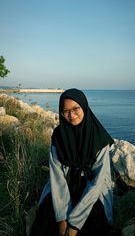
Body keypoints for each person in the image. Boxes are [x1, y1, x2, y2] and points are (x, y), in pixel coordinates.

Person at [30, 88, 114, 236]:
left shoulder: (99, 138)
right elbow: (57, 176)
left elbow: (98, 182)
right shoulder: (58, 136)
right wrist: (62, 218)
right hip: (65, 183)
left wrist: (75, 224)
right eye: (65, 111)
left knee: (94, 224)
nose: (71, 115)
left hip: (92, 187)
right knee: (46, 222)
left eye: (76, 109)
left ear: (84, 107)